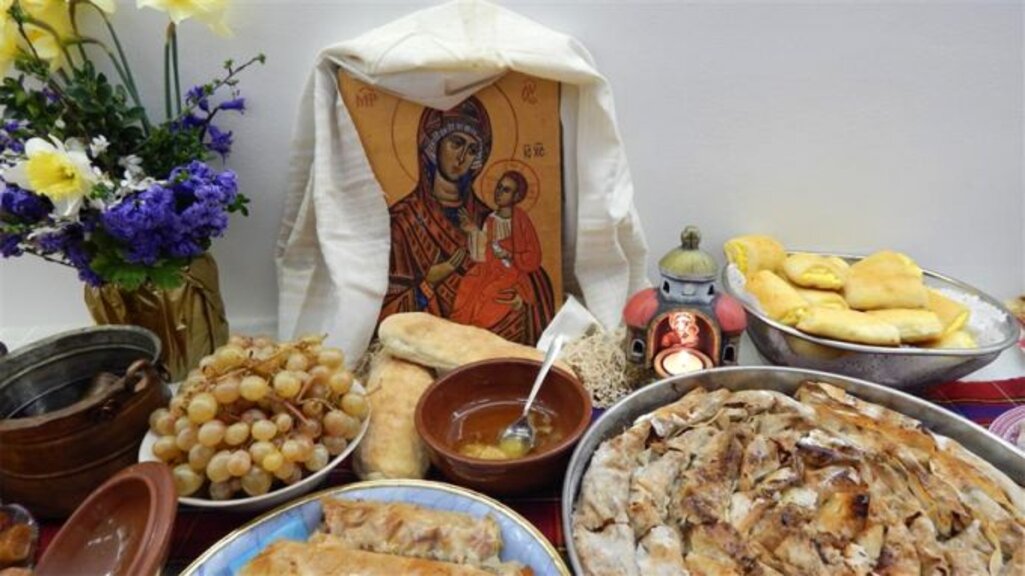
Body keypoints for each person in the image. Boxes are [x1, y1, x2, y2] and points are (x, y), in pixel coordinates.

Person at [379, 96, 555, 344]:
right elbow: (383, 315)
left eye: (472, 150)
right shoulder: (402, 222)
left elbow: (534, 277)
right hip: (431, 347)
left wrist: (523, 301)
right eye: (456, 143)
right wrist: (428, 283)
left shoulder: (489, 218)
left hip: (495, 347)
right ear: (433, 145)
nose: (462, 157)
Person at [451, 170, 544, 331]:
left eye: (506, 190)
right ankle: (461, 328)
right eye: (499, 187)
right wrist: (473, 231)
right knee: (468, 283)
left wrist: (509, 254)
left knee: (489, 294)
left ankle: (477, 328)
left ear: (516, 196)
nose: (499, 192)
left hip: (513, 271)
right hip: (489, 268)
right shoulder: (491, 219)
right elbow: (484, 251)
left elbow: (533, 254)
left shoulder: (520, 219)